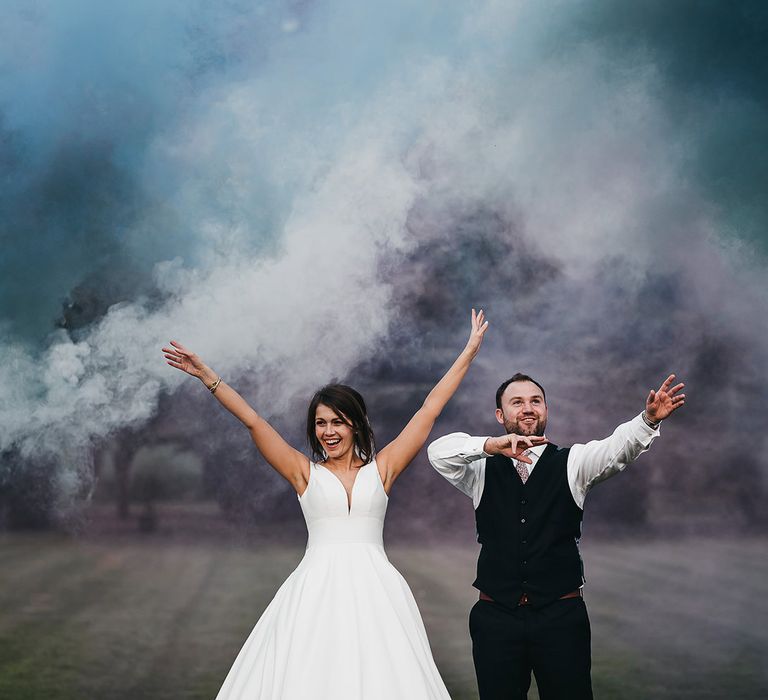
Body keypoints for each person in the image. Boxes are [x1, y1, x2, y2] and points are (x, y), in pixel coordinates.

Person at [161, 309, 489, 700]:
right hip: (315, 589)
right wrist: (207, 377)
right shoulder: (303, 473)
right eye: (321, 423)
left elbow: (429, 409)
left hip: (377, 589)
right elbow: (253, 421)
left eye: (337, 421)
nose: (329, 431)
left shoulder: (382, 470)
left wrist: (468, 352)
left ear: (355, 424)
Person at [427, 372, 685, 700]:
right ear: (500, 415)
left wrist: (647, 420)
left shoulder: (572, 462)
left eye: (535, 401)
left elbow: (615, 451)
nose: (528, 408)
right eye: (516, 402)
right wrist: (492, 446)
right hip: (496, 619)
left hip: (561, 618)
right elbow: (437, 452)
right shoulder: (478, 468)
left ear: (547, 410)